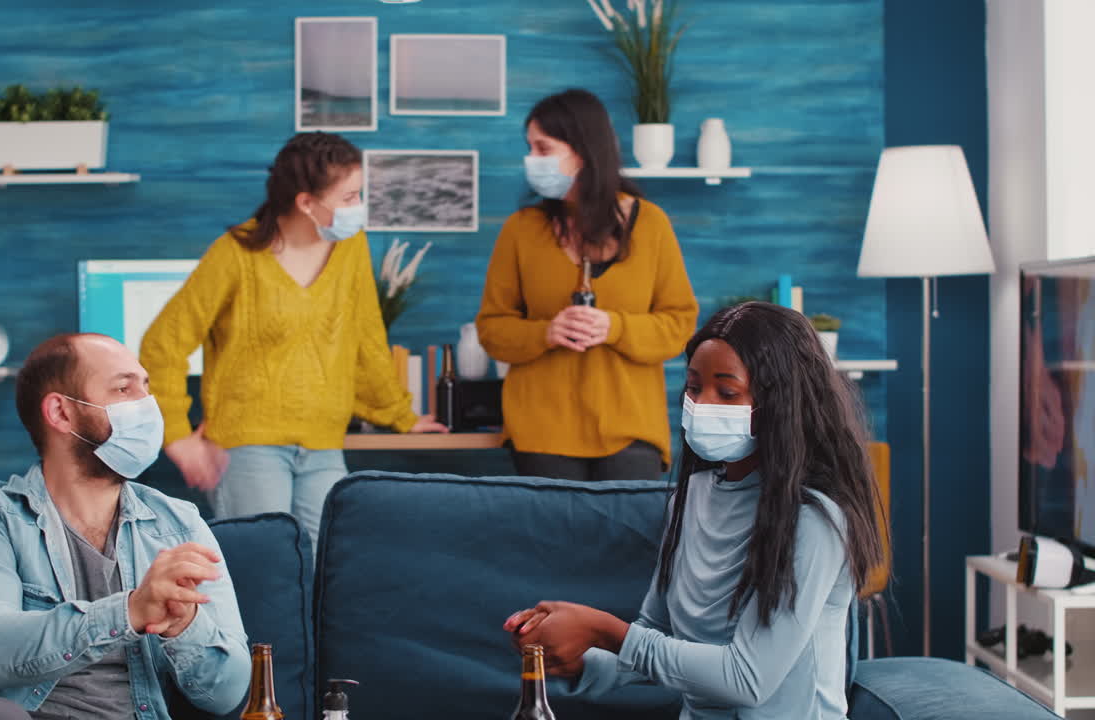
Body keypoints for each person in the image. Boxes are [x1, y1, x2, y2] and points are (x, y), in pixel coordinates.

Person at [503, 303, 887, 719]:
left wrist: (603, 630)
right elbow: (658, 639)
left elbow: (747, 679)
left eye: (726, 392)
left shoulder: (814, 519)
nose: (701, 405)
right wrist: (572, 655)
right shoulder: (693, 497)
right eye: (693, 387)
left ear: (781, 402)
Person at [0, 333, 250, 720]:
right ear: (61, 413)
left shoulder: (179, 523)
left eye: (145, 387)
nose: (148, 405)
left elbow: (228, 694)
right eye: (123, 388)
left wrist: (183, 625)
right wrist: (129, 611)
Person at [140, 132, 445, 542]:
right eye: (350, 197)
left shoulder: (351, 247)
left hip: (323, 445)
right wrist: (177, 436)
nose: (360, 208)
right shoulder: (235, 254)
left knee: (326, 573)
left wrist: (400, 415)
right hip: (247, 445)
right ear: (307, 202)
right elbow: (163, 343)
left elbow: (367, 338)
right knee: (267, 571)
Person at [475, 88, 698, 482]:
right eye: (529, 147)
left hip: (631, 432)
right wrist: (546, 332)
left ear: (582, 148)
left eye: (543, 148)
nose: (531, 160)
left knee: (631, 541)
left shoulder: (651, 224)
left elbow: (679, 326)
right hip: (540, 433)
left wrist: (615, 327)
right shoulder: (520, 230)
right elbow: (492, 331)